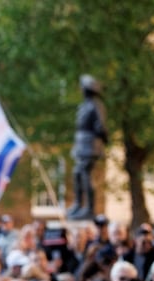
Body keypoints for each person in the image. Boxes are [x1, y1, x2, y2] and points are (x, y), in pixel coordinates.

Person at [67, 74, 108, 220]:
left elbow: (101, 126)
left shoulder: (96, 105)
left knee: (85, 175)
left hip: (90, 144)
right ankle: (78, 203)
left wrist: (101, 141)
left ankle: (89, 208)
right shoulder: (84, 105)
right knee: (77, 174)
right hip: (81, 143)